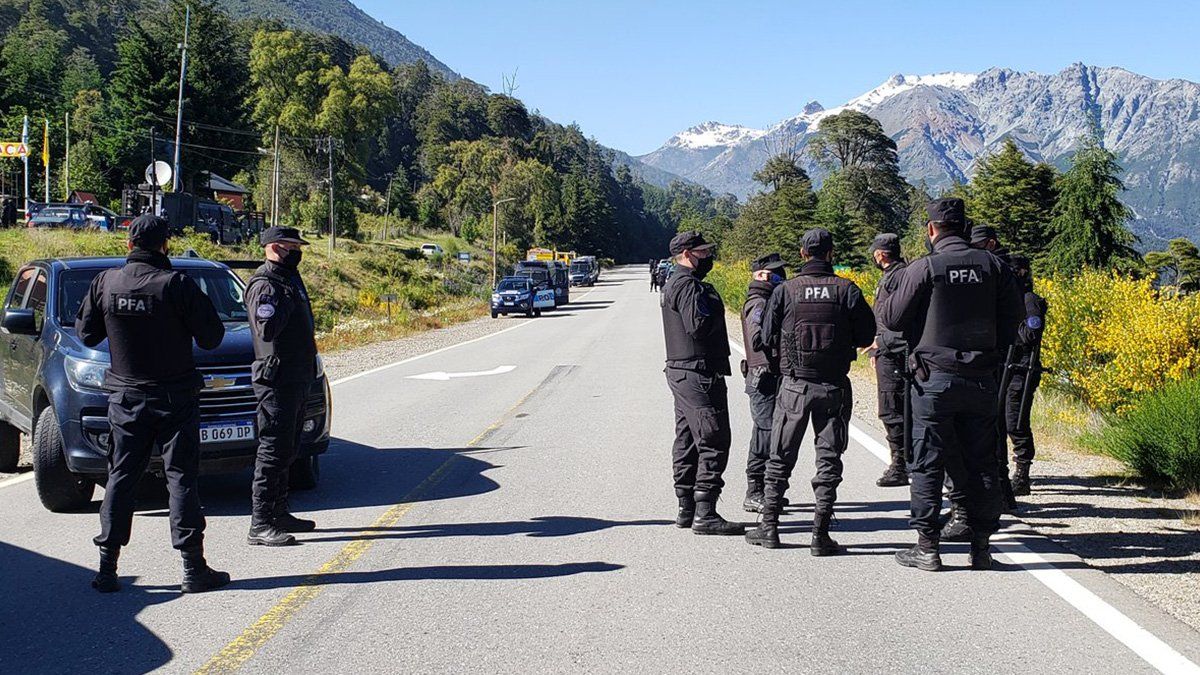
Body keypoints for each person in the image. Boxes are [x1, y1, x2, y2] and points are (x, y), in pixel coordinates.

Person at [75, 214, 230, 594]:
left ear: (129, 244)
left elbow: (86, 333)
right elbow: (212, 337)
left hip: (126, 398)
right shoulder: (177, 284)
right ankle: (193, 567)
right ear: (165, 245)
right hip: (174, 397)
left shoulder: (105, 282)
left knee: (121, 478)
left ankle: (107, 567)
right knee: (180, 479)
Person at [877, 198, 1023, 571]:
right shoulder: (994, 266)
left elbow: (892, 318)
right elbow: (1015, 321)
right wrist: (989, 351)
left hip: (933, 380)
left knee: (927, 460)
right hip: (982, 380)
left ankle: (928, 546)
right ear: (964, 225)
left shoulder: (926, 268)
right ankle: (981, 547)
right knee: (983, 461)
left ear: (931, 230)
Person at [745, 229, 876, 553]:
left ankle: (770, 528)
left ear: (803, 254)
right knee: (829, 458)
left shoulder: (786, 291)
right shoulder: (847, 289)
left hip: (794, 385)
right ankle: (820, 534)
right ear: (831, 254)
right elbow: (866, 334)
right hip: (833, 385)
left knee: (779, 458)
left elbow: (763, 337)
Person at [660, 231, 743, 536]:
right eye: (703, 252)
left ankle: (687, 508)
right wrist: (710, 303)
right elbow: (698, 325)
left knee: (687, 439)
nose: (709, 256)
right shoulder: (689, 286)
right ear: (687, 253)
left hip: (682, 372)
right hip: (698, 373)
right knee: (713, 438)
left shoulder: (672, 283)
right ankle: (705, 512)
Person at [244, 227, 320, 547]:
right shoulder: (266, 284)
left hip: (297, 376)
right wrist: (285, 300)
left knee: (288, 449)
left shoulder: (288, 278)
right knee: (272, 451)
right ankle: (260, 523)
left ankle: (279, 512)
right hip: (277, 381)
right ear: (275, 248)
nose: (297, 252)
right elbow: (267, 329)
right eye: (291, 247)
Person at [739, 252, 786, 512]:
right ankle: (754, 489)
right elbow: (758, 339)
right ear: (760, 275)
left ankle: (769, 488)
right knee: (764, 434)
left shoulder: (767, 300)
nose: (780, 277)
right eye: (774, 273)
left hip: (772, 377)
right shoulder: (758, 303)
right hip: (762, 378)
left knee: (774, 434)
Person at [867, 233, 912, 487]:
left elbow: (896, 318)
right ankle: (905, 460)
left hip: (896, 352)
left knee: (892, 409)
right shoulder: (893, 276)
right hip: (887, 349)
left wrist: (882, 345)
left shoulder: (898, 277)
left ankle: (900, 464)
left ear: (881, 254)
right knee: (896, 407)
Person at [1005, 254, 1048, 496]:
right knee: (1002, 420)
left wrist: (1010, 330)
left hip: (1022, 368)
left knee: (1016, 422)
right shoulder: (1012, 299)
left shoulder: (1028, 300)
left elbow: (1032, 331)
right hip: (1009, 368)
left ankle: (1022, 473)